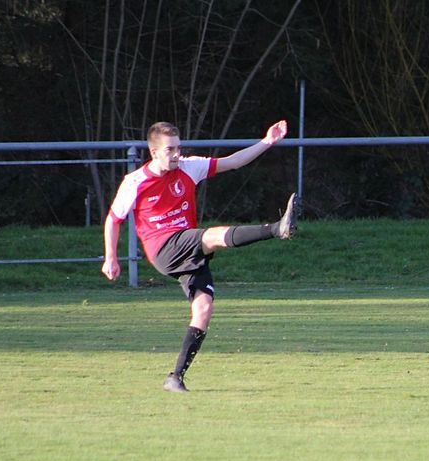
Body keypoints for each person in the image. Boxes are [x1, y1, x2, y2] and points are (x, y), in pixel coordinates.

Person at [101, 120, 298, 393]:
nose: (176, 154)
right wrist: (110, 257)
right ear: (154, 152)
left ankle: (175, 377)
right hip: (163, 248)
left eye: (178, 147)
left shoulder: (188, 167)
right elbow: (113, 220)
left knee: (203, 309)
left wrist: (267, 141)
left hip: (188, 248)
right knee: (211, 237)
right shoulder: (135, 182)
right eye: (170, 149)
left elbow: (233, 162)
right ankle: (276, 229)